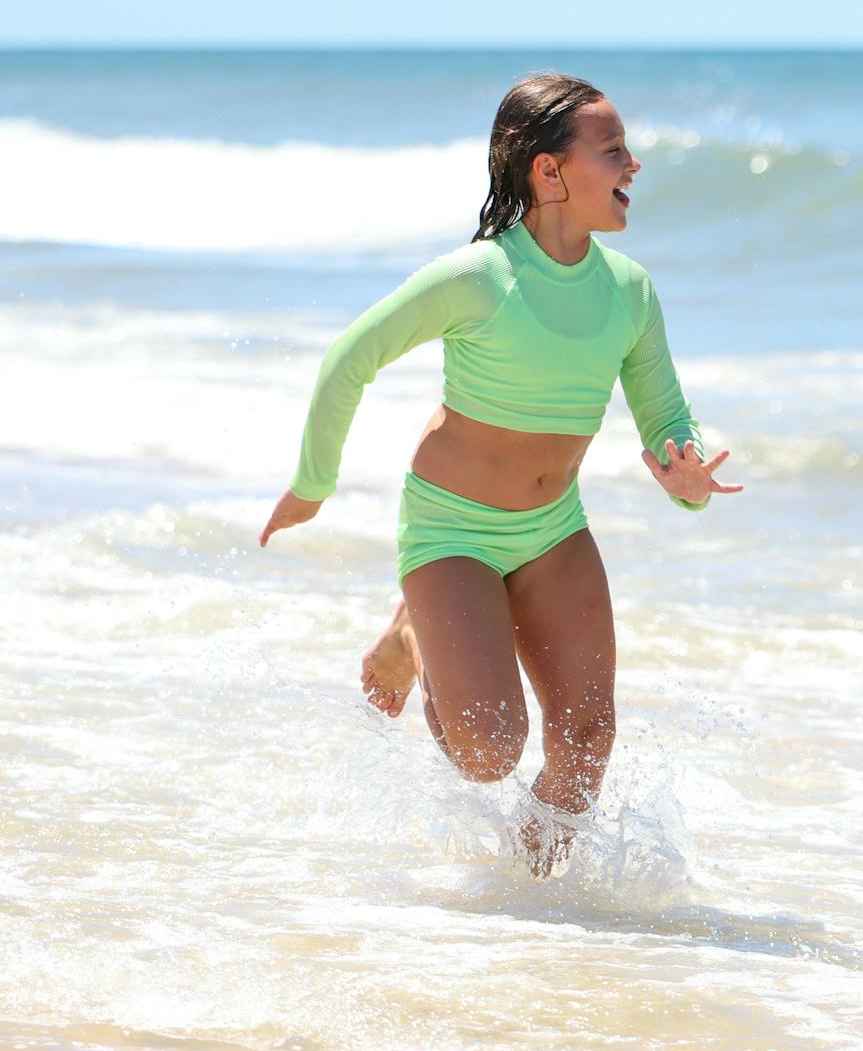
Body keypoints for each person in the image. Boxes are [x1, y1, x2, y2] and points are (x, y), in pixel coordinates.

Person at [260, 75, 741, 874]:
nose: (635, 163)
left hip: (552, 531)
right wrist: (312, 487)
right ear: (549, 172)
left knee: (587, 739)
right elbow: (350, 359)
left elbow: (665, 419)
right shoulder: (477, 278)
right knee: (487, 750)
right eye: (613, 149)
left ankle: (531, 899)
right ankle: (415, 628)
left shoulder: (629, 292)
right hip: (451, 529)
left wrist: (683, 471)